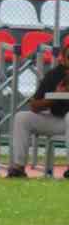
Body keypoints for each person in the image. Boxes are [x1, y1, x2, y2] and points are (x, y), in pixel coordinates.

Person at [6, 41, 69, 178]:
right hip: (57, 121)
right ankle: (18, 167)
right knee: (22, 117)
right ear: (63, 59)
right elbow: (35, 106)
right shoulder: (55, 74)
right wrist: (55, 97)